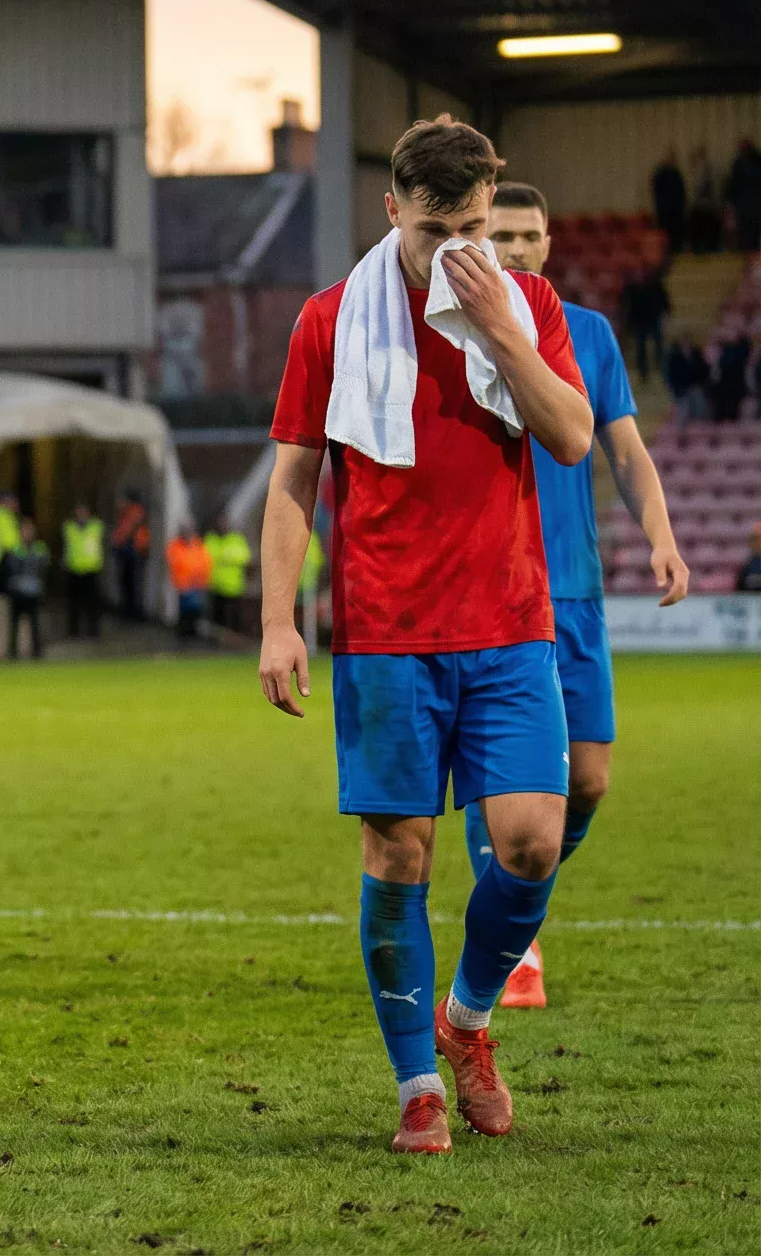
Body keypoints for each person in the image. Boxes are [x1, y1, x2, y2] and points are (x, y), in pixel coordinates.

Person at [258, 117, 592, 1155]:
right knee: (398, 853)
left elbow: (572, 437)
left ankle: (468, 1020)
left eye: (477, 226)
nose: (461, 248)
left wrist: (500, 332)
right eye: (440, 226)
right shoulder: (330, 320)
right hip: (384, 629)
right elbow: (291, 482)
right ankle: (418, 1088)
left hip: (505, 620)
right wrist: (277, 621)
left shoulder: (524, 302)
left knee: (534, 839)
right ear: (391, 206)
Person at [474, 180, 691, 1007]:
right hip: (493, 594)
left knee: (590, 782)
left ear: (550, 242)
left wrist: (662, 536)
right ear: (477, 242)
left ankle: (510, 897)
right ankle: (517, 943)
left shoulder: (589, 336)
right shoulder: (458, 337)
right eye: (501, 235)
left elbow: (626, 454)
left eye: (530, 234)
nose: (517, 248)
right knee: (503, 777)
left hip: (574, 592)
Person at [0, 534, 49, 659]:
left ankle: (37, 651)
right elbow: (8, 568)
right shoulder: (14, 549)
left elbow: (44, 566)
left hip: (32, 591)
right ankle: (13, 652)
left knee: (34, 623)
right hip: (17, 591)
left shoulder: (39, 548)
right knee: (14, 623)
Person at [61, 502, 105, 639]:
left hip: (91, 569)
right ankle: (73, 631)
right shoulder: (69, 527)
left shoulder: (96, 526)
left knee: (92, 603)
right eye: (79, 511)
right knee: (74, 603)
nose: (81, 515)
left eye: (84, 511)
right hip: (74, 569)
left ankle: (93, 630)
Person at [205, 520, 253, 637]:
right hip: (215, 585)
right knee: (217, 615)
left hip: (233, 586)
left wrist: (225, 557)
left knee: (233, 614)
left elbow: (244, 557)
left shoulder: (236, 539)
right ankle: (217, 639)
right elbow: (205, 557)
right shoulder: (211, 539)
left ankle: (234, 638)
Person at [111, 490, 150, 621]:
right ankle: (130, 610)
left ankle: (131, 611)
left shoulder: (132, 512)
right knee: (130, 582)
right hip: (133, 551)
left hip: (132, 551)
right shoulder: (132, 512)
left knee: (130, 582)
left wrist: (116, 544)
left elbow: (125, 532)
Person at [168, 524, 210, 642]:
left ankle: (193, 634)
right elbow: (176, 563)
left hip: (197, 584)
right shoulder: (175, 546)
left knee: (196, 610)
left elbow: (205, 561)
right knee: (184, 610)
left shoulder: (197, 544)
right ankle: (183, 636)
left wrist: (201, 578)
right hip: (184, 584)